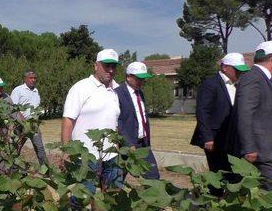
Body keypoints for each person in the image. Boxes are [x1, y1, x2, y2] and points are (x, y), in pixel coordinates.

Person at [62, 48, 123, 190]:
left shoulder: (117, 90)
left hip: (111, 154)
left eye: (113, 66)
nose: (111, 70)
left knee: (112, 196)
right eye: (106, 66)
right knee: (83, 195)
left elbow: (115, 122)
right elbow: (68, 120)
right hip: (85, 156)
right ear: (96, 66)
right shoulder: (81, 88)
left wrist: (117, 147)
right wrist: (66, 150)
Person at [232, 41, 272, 189]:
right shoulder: (253, 78)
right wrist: (249, 148)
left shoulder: (262, 78)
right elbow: (244, 114)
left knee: (263, 193)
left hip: (265, 148)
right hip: (258, 150)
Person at [191, 53, 250, 194]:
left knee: (233, 173)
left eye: (242, 70)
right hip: (215, 139)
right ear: (224, 67)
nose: (240, 73)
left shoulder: (239, 86)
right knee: (218, 174)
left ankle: (229, 201)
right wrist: (207, 137)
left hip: (232, 138)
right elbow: (202, 112)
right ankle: (214, 202)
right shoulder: (210, 84)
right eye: (237, 69)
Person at [115, 61, 160, 180]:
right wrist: (128, 143)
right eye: (139, 78)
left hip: (143, 144)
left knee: (153, 177)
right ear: (128, 77)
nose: (142, 81)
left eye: (144, 79)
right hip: (126, 145)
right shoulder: (117, 93)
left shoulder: (140, 94)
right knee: (116, 181)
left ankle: (152, 198)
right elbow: (117, 122)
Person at [11, 70, 48, 165]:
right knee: (17, 147)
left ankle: (46, 171)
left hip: (34, 125)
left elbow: (36, 106)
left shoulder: (36, 91)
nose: (33, 80)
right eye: (31, 78)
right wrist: (22, 120)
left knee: (39, 147)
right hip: (21, 125)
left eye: (35, 78)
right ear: (25, 79)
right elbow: (13, 107)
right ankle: (12, 168)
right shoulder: (18, 90)